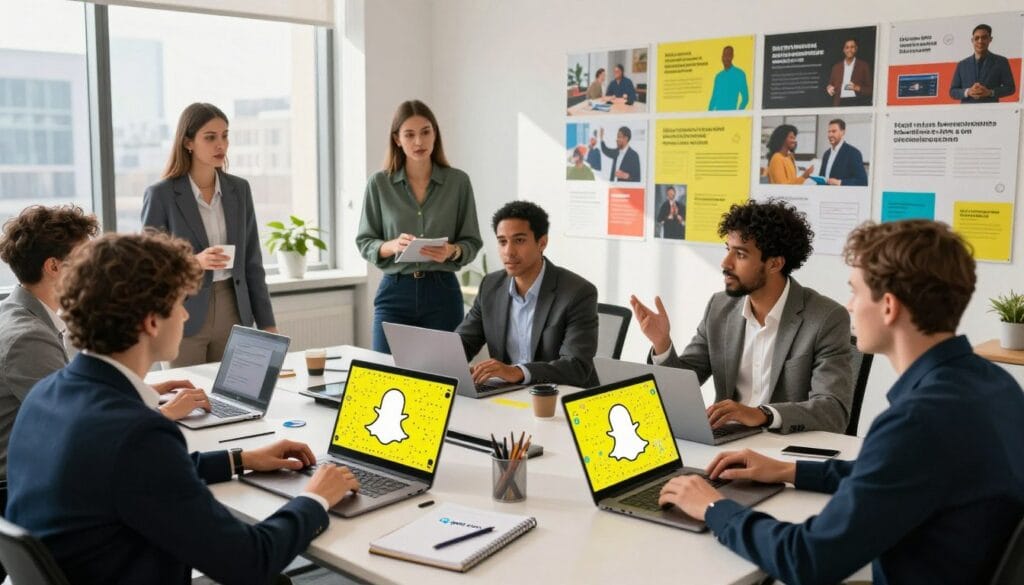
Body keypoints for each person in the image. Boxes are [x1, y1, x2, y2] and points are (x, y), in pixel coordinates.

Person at [657, 220, 1024, 585]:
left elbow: (806, 559)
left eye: (855, 292)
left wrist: (713, 507)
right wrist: (789, 471)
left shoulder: (916, 421)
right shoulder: (994, 385)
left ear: (889, 307)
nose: (848, 307)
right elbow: (891, 471)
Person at [6, 230, 361, 585]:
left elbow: (135, 475)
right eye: (180, 304)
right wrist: (316, 499)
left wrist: (242, 459)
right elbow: (250, 561)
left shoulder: (48, 394)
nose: (186, 317)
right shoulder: (137, 434)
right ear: (151, 321)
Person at [630, 200, 852, 434]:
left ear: (775, 263)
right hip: (727, 441)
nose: (725, 263)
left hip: (783, 448)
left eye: (741, 254)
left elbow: (833, 410)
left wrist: (762, 414)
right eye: (728, 250)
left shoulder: (825, 318)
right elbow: (684, 384)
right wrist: (662, 343)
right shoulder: (720, 307)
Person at [142, 102, 276, 368]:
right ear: (188, 142)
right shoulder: (162, 195)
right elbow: (149, 266)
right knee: (187, 397)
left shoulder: (239, 189)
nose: (221, 145)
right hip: (183, 312)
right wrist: (195, 262)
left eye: (225, 135)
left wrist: (267, 324)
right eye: (210, 137)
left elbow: (252, 262)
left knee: (237, 399)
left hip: (234, 309)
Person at [356, 100, 483, 353]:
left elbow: (472, 240)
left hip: (442, 292)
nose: (418, 142)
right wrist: (391, 246)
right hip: (395, 292)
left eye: (425, 132)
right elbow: (365, 241)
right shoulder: (379, 184)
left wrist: (452, 251)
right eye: (409, 134)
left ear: (435, 134)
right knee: (383, 374)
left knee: (444, 376)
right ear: (397, 139)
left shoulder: (458, 182)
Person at [456, 201, 598, 387]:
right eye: (502, 242)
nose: (509, 251)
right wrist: (450, 364)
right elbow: (463, 342)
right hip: (508, 395)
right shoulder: (491, 286)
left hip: (560, 398)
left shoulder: (577, 292)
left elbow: (576, 366)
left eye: (519, 240)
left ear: (542, 243)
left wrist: (517, 372)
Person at [949, 24, 1016, 103]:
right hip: (966, 112)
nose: (980, 41)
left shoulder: (1001, 61)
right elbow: (952, 91)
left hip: (991, 112)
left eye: (984, 37)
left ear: (990, 39)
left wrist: (990, 92)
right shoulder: (962, 65)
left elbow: (1010, 88)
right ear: (972, 40)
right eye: (977, 38)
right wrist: (968, 92)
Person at [826, 38, 873, 106]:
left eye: (852, 47)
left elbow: (870, 90)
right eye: (847, 47)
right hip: (839, 102)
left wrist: (856, 87)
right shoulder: (836, 67)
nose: (849, 50)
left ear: (856, 49)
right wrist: (829, 88)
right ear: (844, 50)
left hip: (857, 102)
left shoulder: (864, 65)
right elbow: (830, 85)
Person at [820, 119, 867, 186]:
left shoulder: (853, 153)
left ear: (842, 132)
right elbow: (822, 177)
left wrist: (840, 182)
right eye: (829, 132)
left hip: (842, 195)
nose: (830, 135)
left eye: (834, 131)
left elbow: (863, 181)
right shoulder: (826, 154)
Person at [708, 46, 749, 111]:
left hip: (731, 116)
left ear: (732, 56)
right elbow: (714, 98)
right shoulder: (718, 77)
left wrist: (737, 114)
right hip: (717, 116)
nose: (726, 58)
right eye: (724, 55)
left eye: (728, 55)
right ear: (721, 57)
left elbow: (745, 98)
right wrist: (709, 115)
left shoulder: (739, 74)